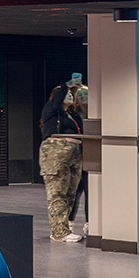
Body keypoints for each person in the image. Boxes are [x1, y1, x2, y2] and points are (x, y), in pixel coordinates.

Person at [38, 81, 85, 243]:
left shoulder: (73, 114)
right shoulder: (51, 111)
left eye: (72, 94)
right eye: (67, 93)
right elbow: (57, 99)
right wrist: (65, 86)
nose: (70, 95)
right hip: (55, 152)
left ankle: (64, 226)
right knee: (57, 192)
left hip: (74, 153)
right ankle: (58, 231)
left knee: (70, 193)